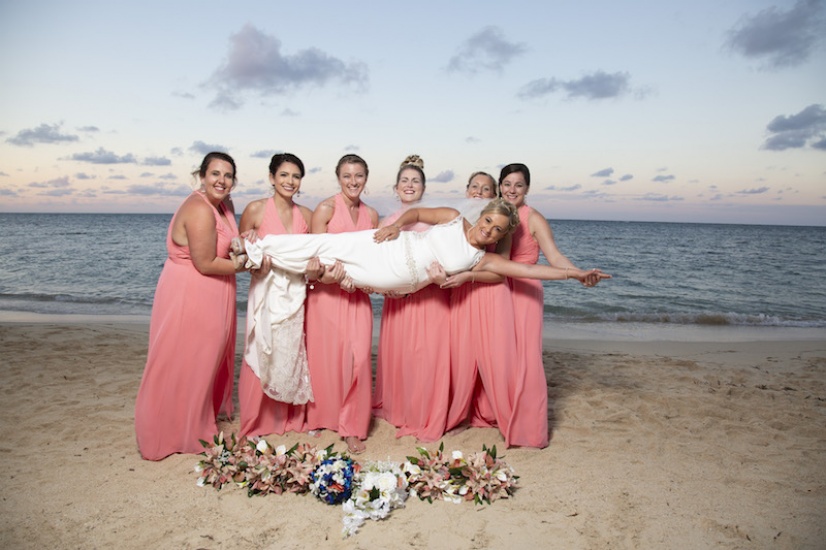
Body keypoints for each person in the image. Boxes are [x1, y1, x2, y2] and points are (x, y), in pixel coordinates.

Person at [243, 199, 609, 301]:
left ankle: (268, 261)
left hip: (394, 276)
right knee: (323, 243)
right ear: (480, 217)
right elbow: (417, 212)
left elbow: (530, 271)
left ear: (500, 235)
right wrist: (395, 225)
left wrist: (574, 273)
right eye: (487, 224)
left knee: (326, 268)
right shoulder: (452, 218)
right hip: (388, 244)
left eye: (496, 231)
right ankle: (256, 250)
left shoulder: (485, 259)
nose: (487, 232)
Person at [134, 152, 247, 461]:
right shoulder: (199, 209)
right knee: (181, 359)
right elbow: (206, 262)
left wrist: (242, 245)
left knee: (202, 361)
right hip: (191, 293)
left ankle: (193, 424)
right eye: (215, 174)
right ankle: (164, 433)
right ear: (202, 175)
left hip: (214, 292)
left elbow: (229, 242)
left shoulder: (225, 206)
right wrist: (244, 265)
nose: (221, 181)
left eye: (227, 176)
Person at [498, 162, 597, 448]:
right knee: (502, 354)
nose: (512, 189)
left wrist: (578, 274)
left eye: (518, 184)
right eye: (507, 183)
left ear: (527, 188)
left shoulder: (534, 219)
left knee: (526, 358)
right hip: (499, 289)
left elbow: (554, 257)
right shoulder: (495, 214)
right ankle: (501, 414)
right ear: (500, 185)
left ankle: (528, 426)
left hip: (525, 291)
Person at [237, 153, 325, 438]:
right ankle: (256, 421)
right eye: (284, 175)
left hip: (297, 292)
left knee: (291, 354)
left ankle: (290, 419)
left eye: (296, 176)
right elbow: (241, 256)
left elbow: (316, 257)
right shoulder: (255, 210)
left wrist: (315, 269)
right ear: (272, 178)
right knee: (261, 350)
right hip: (266, 291)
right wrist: (249, 250)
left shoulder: (307, 215)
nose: (290, 181)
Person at [372, 155, 451, 442]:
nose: (409, 185)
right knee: (402, 354)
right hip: (399, 301)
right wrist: (387, 288)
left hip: (431, 299)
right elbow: (378, 264)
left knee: (427, 356)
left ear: (423, 187)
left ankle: (423, 412)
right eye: (404, 180)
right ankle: (400, 409)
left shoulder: (434, 219)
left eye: (415, 181)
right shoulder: (388, 221)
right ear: (396, 187)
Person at [304, 154, 378, 454]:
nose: (353, 181)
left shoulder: (372, 215)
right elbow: (311, 259)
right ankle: (323, 417)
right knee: (325, 357)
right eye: (347, 176)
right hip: (326, 294)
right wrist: (332, 278)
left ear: (366, 178)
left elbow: (375, 261)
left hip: (357, 295)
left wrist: (360, 281)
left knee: (359, 359)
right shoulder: (325, 209)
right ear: (338, 178)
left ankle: (353, 427)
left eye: (359, 175)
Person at [443, 172, 521, 442]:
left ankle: (499, 414)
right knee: (461, 355)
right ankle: (459, 415)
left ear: (493, 195)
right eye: (474, 186)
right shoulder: (458, 219)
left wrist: (470, 274)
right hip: (461, 293)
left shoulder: (502, 224)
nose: (478, 191)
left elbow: (501, 272)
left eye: (485, 188)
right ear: (467, 191)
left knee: (495, 356)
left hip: (489, 292)